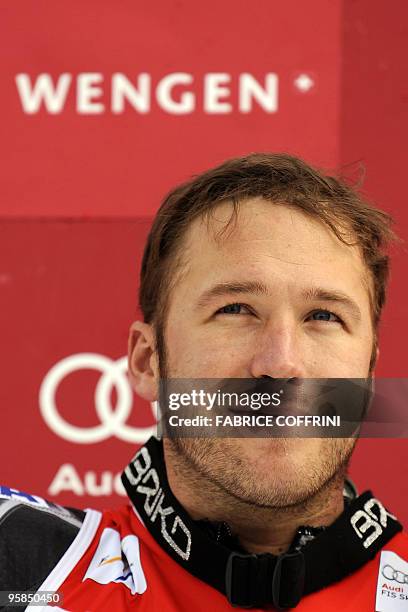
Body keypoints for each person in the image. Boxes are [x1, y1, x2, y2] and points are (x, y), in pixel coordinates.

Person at [1, 153, 407, 612]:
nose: (281, 362)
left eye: (323, 316)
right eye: (235, 309)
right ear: (148, 361)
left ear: (369, 379)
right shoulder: (20, 567)